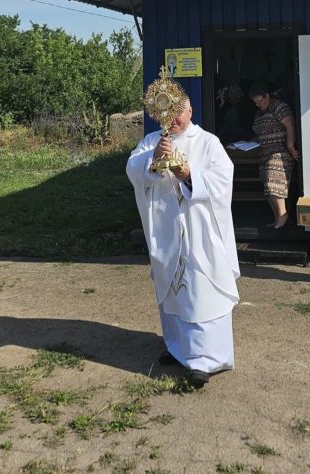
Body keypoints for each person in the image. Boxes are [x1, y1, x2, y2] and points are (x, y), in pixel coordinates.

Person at [126, 97, 239, 387]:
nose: (174, 118)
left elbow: (223, 179)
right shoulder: (152, 141)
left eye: (180, 112)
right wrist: (153, 161)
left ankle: (205, 359)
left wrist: (188, 174)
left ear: (191, 111)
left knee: (201, 290)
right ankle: (178, 348)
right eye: (167, 113)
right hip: (165, 231)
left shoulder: (208, 142)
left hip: (200, 233)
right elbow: (133, 170)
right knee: (172, 289)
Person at [249, 83, 299, 229]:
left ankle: (283, 216)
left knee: (274, 183)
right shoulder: (259, 113)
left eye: (261, 101)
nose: (259, 105)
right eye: (256, 103)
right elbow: (259, 132)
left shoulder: (279, 107)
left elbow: (290, 124)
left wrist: (290, 145)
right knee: (267, 186)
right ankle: (277, 218)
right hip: (264, 153)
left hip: (279, 152)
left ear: (267, 96)